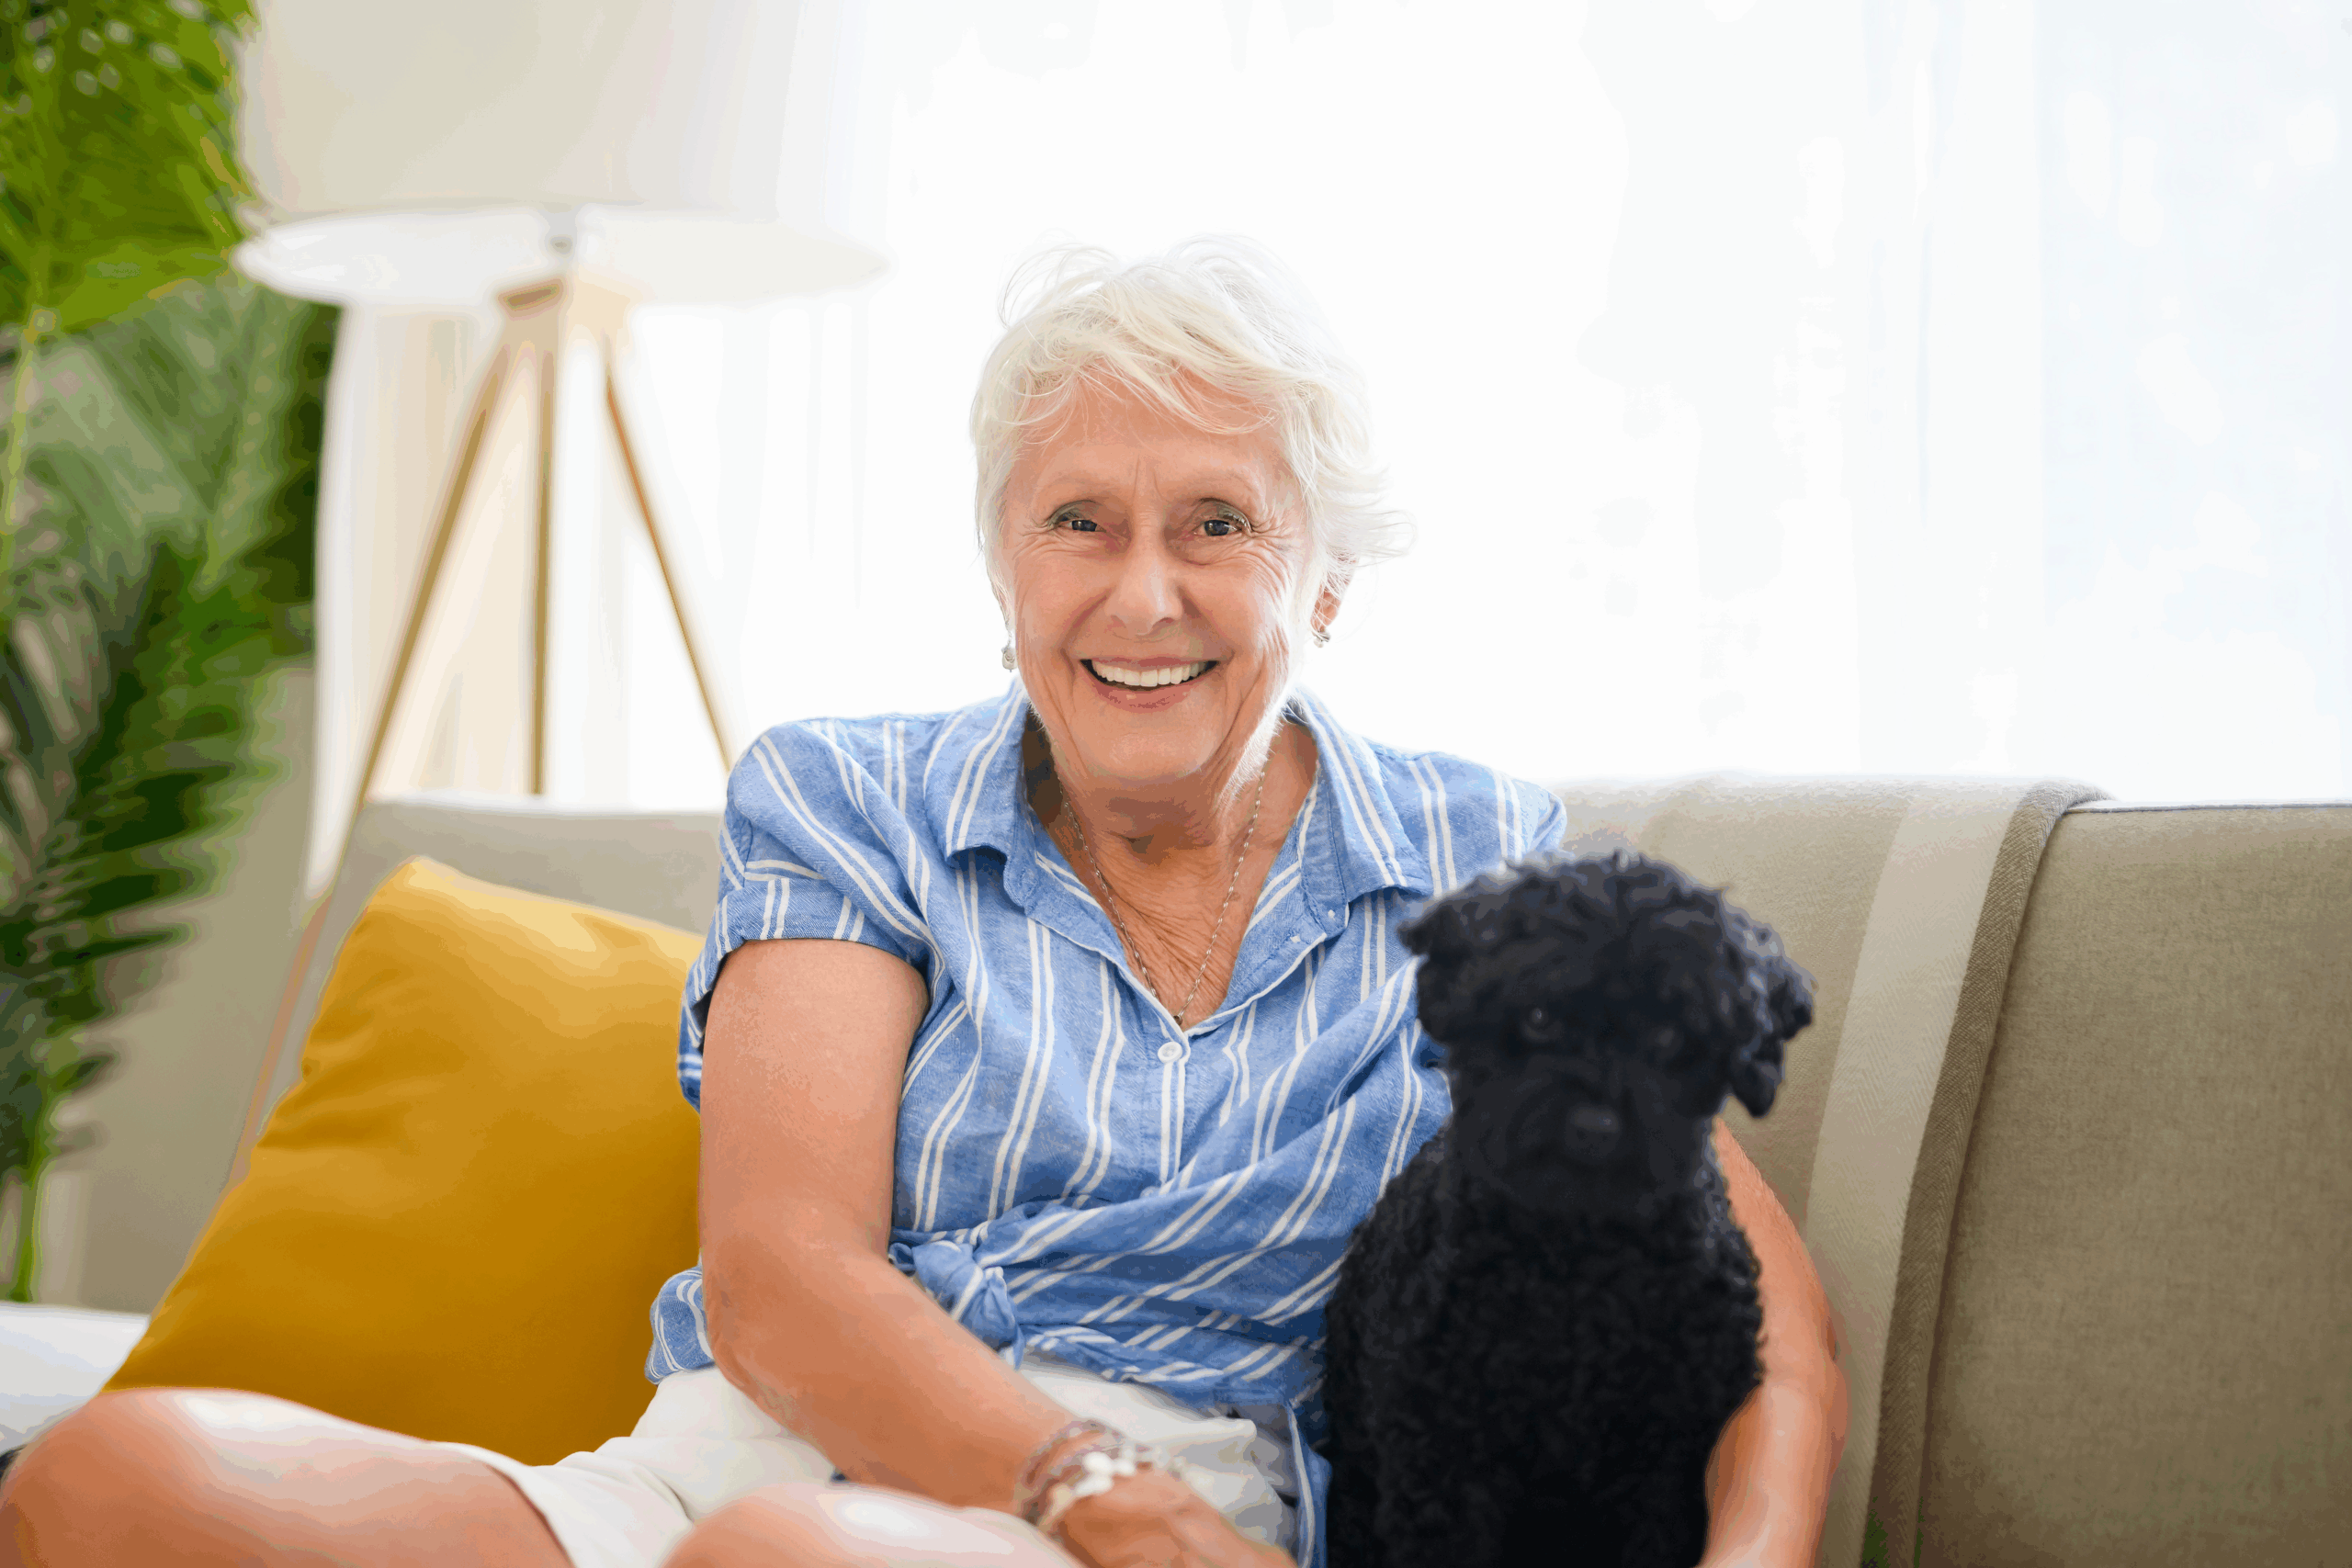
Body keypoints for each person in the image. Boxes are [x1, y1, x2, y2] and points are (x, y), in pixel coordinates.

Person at [0, 238, 1847, 1568]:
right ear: (1001, 564)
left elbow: (1750, 1306)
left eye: (1217, 523)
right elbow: (780, 1276)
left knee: (789, 1564)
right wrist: (1076, 1489)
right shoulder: (851, 799)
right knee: (107, 1480)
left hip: (1172, 1514)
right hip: (729, 1468)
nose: (1142, 594)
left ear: (1326, 580)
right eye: (1078, 521)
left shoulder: (1477, 863)